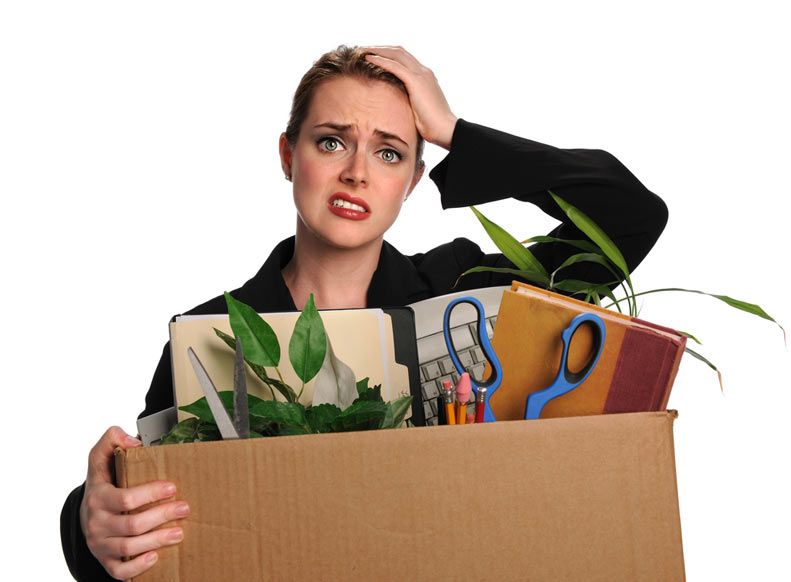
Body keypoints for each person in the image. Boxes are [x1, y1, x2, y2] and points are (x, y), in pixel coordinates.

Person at [61, 45, 668, 580]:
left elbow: (631, 216)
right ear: (287, 155)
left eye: (389, 153)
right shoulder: (209, 334)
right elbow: (152, 518)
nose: (355, 173)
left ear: (412, 181)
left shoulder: (465, 289)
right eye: (332, 142)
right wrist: (92, 524)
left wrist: (456, 131)